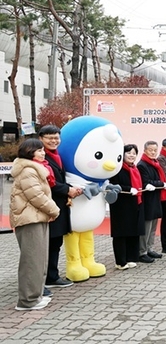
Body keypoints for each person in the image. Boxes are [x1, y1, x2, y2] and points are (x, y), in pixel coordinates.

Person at [10, 138, 60, 311]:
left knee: (39, 259)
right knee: (32, 260)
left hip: (37, 217)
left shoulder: (34, 169)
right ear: (29, 152)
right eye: (39, 150)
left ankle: (36, 295)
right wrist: (54, 210)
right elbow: (36, 196)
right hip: (29, 219)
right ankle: (27, 300)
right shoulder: (28, 170)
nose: (43, 153)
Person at [38, 125, 78, 291]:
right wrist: (67, 190)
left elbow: (59, 179)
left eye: (56, 138)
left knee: (56, 242)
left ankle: (52, 276)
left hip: (59, 205)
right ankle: (45, 278)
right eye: (49, 138)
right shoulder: (40, 157)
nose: (53, 141)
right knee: (47, 244)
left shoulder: (57, 155)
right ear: (41, 139)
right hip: (47, 207)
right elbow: (47, 183)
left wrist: (72, 188)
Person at [108, 144, 144, 270]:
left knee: (132, 231)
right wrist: (129, 189)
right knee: (121, 233)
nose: (131, 155)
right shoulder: (117, 169)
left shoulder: (134, 168)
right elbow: (112, 185)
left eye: (134, 153)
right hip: (120, 206)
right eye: (128, 153)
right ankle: (120, 261)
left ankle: (130, 257)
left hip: (134, 203)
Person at [136, 141, 166, 263]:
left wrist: (162, 184)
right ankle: (142, 252)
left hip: (156, 198)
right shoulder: (142, 165)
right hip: (147, 200)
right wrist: (163, 184)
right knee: (147, 227)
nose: (153, 152)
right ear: (145, 150)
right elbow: (146, 182)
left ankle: (150, 248)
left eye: (155, 150)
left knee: (153, 227)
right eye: (150, 150)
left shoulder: (155, 163)